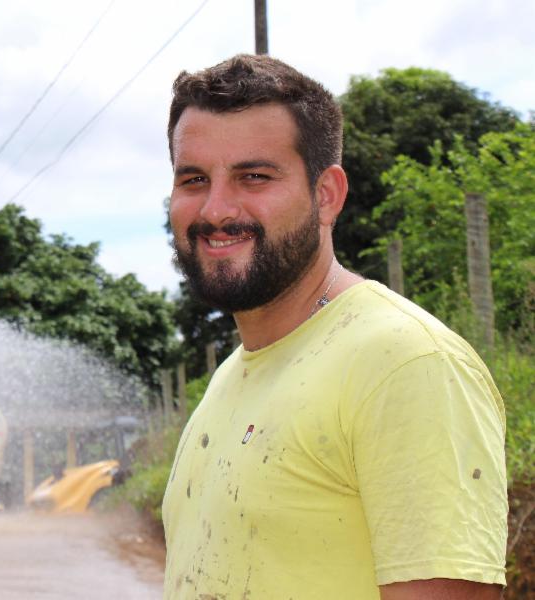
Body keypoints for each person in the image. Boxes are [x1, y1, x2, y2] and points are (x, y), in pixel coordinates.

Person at [161, 54, 507, 600]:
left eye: (254, 176)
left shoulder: (403, 364)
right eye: (194, 179)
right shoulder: (234, 374)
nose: (217, 208)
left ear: (327, 195)